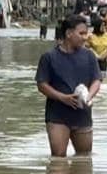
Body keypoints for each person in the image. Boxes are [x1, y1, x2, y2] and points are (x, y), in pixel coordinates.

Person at [35, 15, 103, 157]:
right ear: (68, 33)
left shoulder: (89, 56)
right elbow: (42, 84)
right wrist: (62, 97)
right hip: (58, 115)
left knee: (84, 159)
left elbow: (97, 80)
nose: (85, 37)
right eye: (81, 33)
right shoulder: (49, 57)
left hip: (82, 114)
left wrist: (88, 96)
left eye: (86, 33)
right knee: (58, 158)